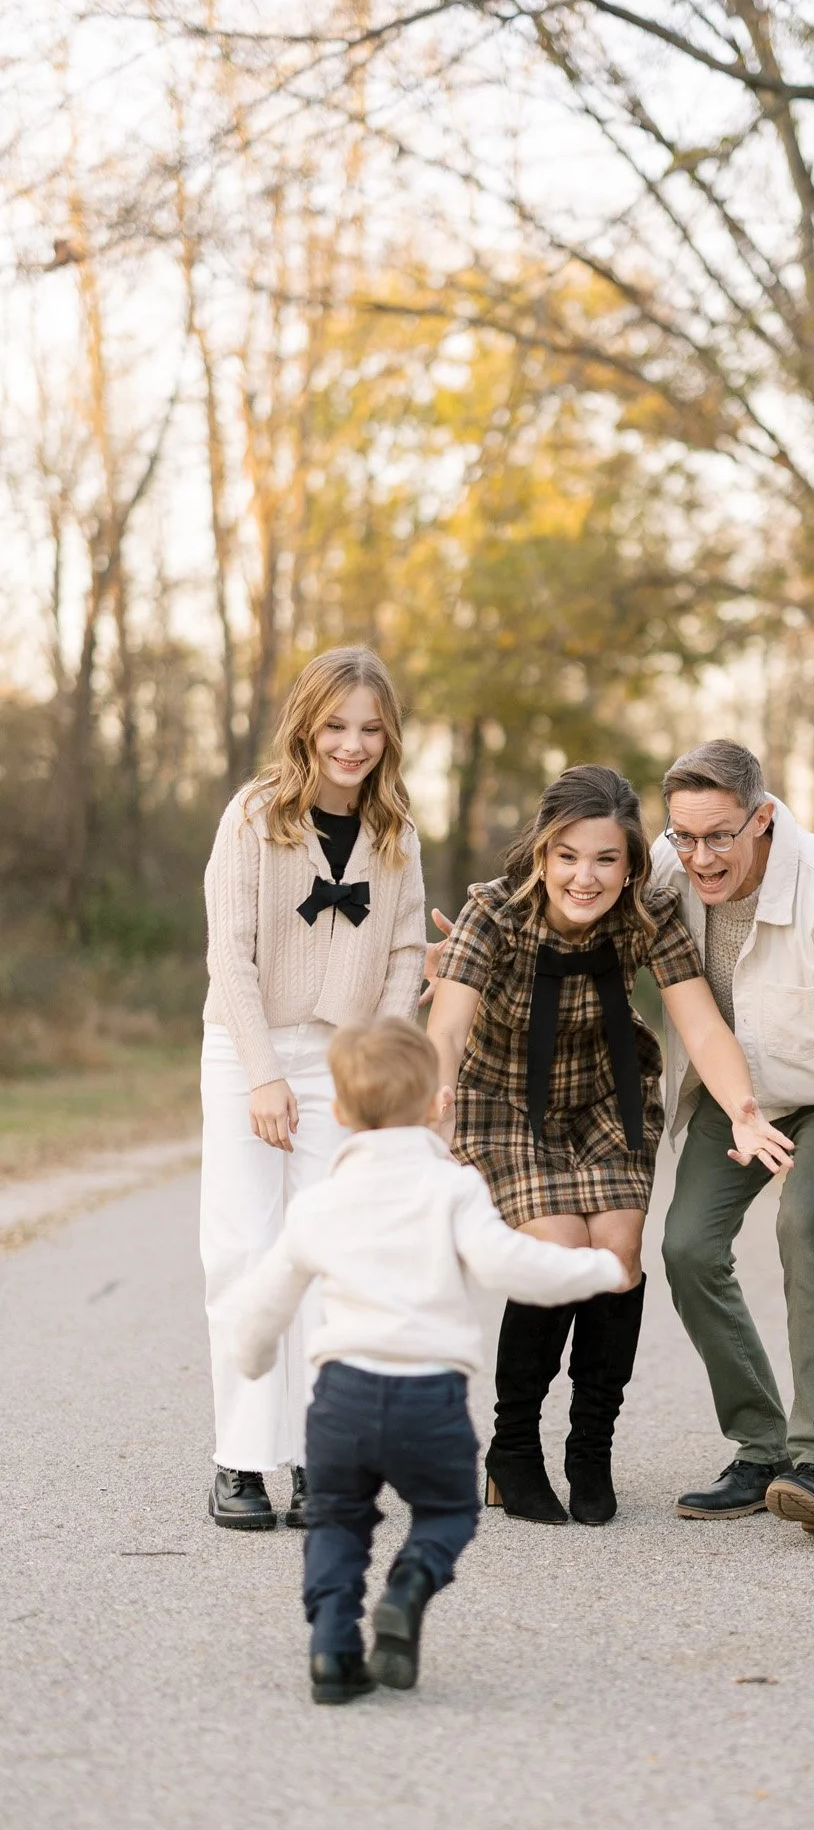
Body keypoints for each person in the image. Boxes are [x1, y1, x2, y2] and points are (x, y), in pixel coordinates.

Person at [220, 1017, 627, 1705]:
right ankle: (408, 1588)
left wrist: (252, 1359)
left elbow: (263, 1302)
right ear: (440, 1103)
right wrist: (594, 1269)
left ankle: (332, 1651)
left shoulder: (319, 1203)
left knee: (335, 1523)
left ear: (342, 1113)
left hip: (342, 1399)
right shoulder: (453, 1188)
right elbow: (511, 1266)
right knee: (446, 1512)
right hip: (428, 1401)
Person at [426, 765, 793, 1528]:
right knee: (560, 1250)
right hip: (504, 1103)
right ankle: (512, 1450)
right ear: (540, 853)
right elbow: (448, 1029)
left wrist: (745, 1109)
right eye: (567, 856)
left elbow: (699, 1025)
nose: (584, 877)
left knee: (618, 1257)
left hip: (604, 1096)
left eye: (604, 859)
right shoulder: (491, 915)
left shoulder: (646, 915)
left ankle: (590, 1448)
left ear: (630, 864)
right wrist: (436, 1103)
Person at [200, 646, 426, 1533]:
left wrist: (376, 1071)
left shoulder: (397, 832)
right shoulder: (254, 816)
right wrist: (262, 1074)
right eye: (336, 725)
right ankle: (243, 1459)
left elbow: (406, 954)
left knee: (334, 1258)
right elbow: (230, 951)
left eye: (370, 729)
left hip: (346, 1061)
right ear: (307, 724)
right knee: (245, 1252)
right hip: (246, 1052)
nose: (353, 744)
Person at [654, 741, 814, 1537]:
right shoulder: (667, 865)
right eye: (684, 837)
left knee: (805, 1225)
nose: (700, 857)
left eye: (719, 836)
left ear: (763, 818)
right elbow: (570, 888)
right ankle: (759, 1448)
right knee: (685, 1247)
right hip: (737, 1093)